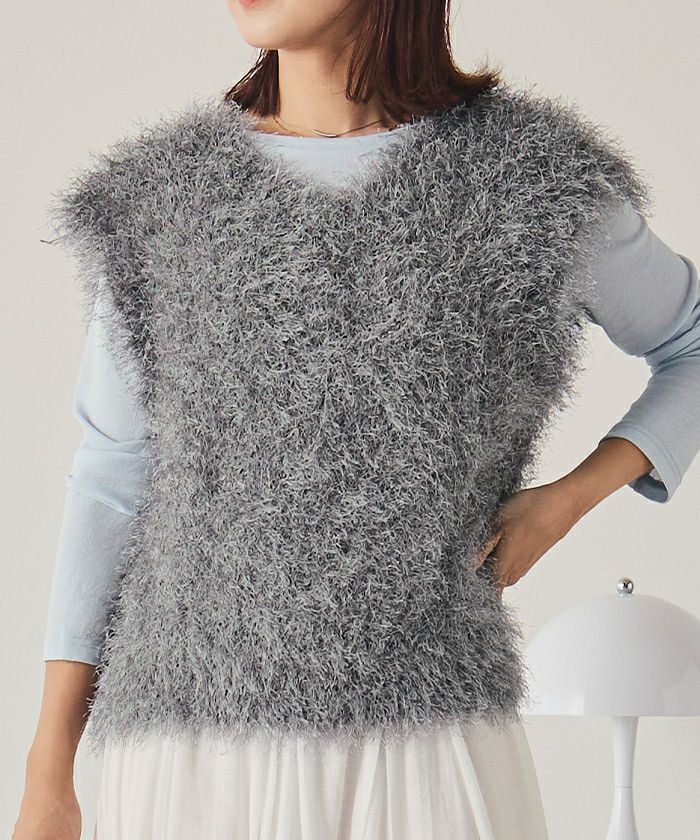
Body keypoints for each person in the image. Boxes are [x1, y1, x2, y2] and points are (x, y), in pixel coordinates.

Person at [14, 1, 700, 839]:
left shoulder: (533, 180)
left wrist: (569, 500)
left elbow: (691, 344)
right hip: (194, 747)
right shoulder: (157, 201)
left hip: (429, 735)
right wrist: (48, 769)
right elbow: (112, 478)